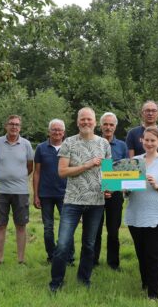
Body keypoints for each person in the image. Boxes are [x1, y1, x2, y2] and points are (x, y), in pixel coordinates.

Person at [49, 107, 111, 292]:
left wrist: (109, 189)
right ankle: (56, 282)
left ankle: (84, 279)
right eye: (82, 119)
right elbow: (62, 172)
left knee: (89, 244)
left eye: (89, 119)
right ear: (77, 122)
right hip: (72, 201)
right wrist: (86, 165)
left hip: (96, 202)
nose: (86, 122)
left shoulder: (104, 144)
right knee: (63, 244)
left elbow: (107, 174)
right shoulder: (68, 142)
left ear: (95, 122)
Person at [125, 126, 158, 300]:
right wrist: (124, 189)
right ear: (141, 140)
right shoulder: (134, 161)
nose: (149, 143)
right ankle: (145, 283)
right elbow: (126, 191)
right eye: (146, 140)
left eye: (153, 140)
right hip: (136, 215)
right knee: (142, 254)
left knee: (155, 256)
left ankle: (153, 295)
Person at [0, 115, 34, 264]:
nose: (14, 127)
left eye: (17, 124)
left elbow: (30, 166)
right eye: (11, 124)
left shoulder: (26, 144)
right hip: (0, 191)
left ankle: (21, 259)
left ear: (20, 127)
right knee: (0, 225)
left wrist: (18, 177)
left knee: (21, 225)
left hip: (20, 191)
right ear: (6, 126)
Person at [33, 119, 74, 264]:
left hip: (66, 194)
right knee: (48, 228)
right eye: (54, 129)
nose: (57, 132)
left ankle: (69, 257)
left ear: (64, 132)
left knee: (67, 227)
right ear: (49, 131)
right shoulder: (40, 148)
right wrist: (36, 194)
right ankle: (52, 256)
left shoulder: (70, 147)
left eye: (60, 130)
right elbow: (36, 172)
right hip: (46, 195)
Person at [94, 112, 128, 270]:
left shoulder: (122, 145)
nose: (108, 127)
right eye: (105, 124)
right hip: (94, 193)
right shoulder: (93, 143)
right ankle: (93, 261)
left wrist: (113, 188)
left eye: (111, 124)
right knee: (94, 229)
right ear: (100, 126)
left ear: (115, 127)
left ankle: (113, 263)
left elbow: (126, 170)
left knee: (113, 231)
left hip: (115, 193)